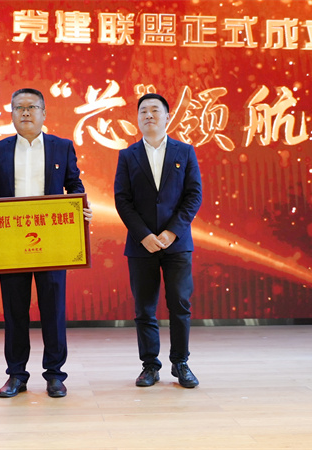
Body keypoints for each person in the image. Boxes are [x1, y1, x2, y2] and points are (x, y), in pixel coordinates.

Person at [0, 88, 92, 398]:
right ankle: (16, 375)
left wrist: (81, 206)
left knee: (53, 310)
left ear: (44, 113)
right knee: (15, 311)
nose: (25, 112)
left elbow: (74, 185)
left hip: (52, 244)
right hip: (11, 246)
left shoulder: (61, 147)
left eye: (31, 107)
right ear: (11, 114)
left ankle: (55, 374)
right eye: (19, 108)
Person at [114, 93, 202, 388]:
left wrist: (171, 232)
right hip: (142, 245)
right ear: (138, 118)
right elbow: (122, 200)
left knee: (180, 304)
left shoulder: (185, 152)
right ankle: (150, 366)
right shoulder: (127, 156)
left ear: (167, 117)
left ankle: (181, 363)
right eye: (143, 111)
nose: (148, 115)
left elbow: (194, 196)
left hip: (177, 243)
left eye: (155, 110)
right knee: (144, 309)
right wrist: (144, 235)